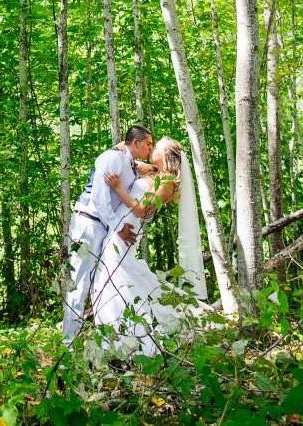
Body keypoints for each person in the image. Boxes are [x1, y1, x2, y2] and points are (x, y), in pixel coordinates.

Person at [91, 137, 211, 358]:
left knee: (115, 277)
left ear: (167, 156)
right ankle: (117, 332)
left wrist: (118, 188)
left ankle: (133, 335)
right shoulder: (152, 172)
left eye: (157, 148)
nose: (151, 149)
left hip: (128, 230)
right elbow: (129, 160)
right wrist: (123, 148)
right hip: (117, 227)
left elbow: (143, 210)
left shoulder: (168, 183)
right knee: (114, 277)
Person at [62, 125, 153, 347]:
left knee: (95, 285)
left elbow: (139, 168)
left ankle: (87, 339)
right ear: (136, 143)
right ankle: (68, 344)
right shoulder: (111, 158)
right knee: (79, 285)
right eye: (148, 144)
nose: (151, 148)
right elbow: (99, 199)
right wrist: (118, 227)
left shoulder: (129, 162)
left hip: (102, 228)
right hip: (89, 224)